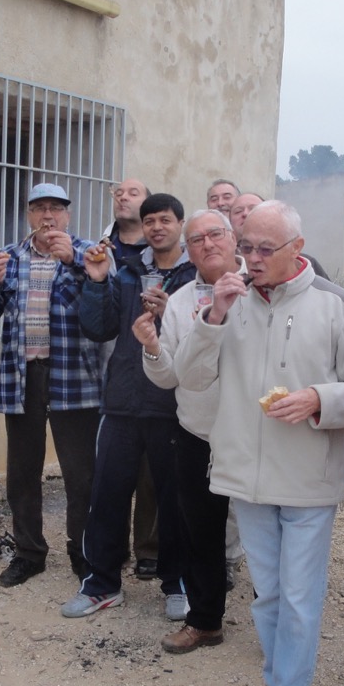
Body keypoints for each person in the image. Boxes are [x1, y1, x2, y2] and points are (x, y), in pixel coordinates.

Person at [173, 201, 344, 686]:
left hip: (307, 477)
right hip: (245, 475)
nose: (253, 258)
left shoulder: (336, 304)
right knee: (268, 594)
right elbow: (189, 377)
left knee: (298, 597)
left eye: (266, 248)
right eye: (246, 247)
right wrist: (213, 318)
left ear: (297, 247)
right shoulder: (229, 300)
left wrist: (320, 398)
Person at [62, 193, 196, 620]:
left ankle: (177, 584)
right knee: (106, 497)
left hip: (173, 403)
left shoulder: (196, 275)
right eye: (150, 221)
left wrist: (172, 312)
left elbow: (208, 338)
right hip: (121, 401)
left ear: (180, 225)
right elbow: (99, 327)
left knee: (175, 501)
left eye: (165, 220)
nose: (157, 227)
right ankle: (101, 584)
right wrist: (97, 281)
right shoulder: (127, 270)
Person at [0, 183, 102, 587]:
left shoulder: (88, 253)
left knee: (81, 474)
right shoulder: (9, 257)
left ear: (67, 215)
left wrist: (74, 261)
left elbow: (104, 305)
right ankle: (29, 553)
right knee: (22, 472)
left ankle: (83, 551)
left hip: (74, 377)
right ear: (29, 215)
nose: (48, 216)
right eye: (40, 208)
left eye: (56, 209)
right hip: (23, 375)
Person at [133, 209, 245, 651]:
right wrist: (152, 348)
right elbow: (169, 377)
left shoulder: (261, 287)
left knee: (266, 531)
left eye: (215, 234)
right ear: (188, 249)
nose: (207, 244)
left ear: (233, 238)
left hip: (257, 431)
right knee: (201, 532)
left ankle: (276, 624)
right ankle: (205, 621)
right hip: (199, 432)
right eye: (197, 239)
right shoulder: (180, 302)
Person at [101, 177, 161, 580]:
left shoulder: (164, 255)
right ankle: (112, 550)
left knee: (151, 473)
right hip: (110, 374)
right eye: (118, 192)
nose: (123, 197)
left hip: (155, 373)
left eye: (133, 192)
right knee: (112, 473)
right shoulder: (101, 248)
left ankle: (149, 550)